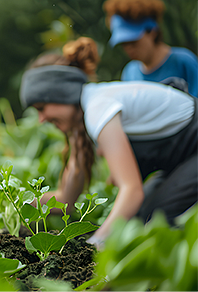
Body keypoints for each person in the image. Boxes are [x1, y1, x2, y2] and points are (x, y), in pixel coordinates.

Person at [20, 37, 198, 247]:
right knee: (137, 219)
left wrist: (95, 244)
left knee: (155, 222)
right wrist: (23, 204)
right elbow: (66, 200)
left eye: (42, 108)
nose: (41, 119)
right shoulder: (81, 128)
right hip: (183, 160)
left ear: (61, 93)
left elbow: (132, 191)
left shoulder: (98, 108)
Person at [103, 0, 198, 96]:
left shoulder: (183, 62)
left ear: (152, 31)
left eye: (133, 41)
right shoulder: (130, 73)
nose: (129, 48)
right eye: (124, 43)